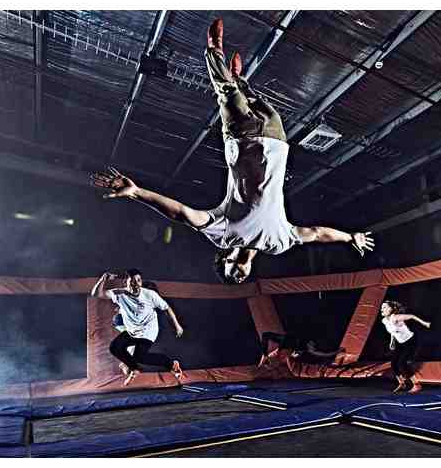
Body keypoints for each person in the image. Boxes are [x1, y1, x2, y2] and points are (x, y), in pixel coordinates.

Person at [90, 19, 374, 284]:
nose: (239, 273)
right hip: (276, 142)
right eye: (241, 277)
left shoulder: (224, 236)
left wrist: (137, 192)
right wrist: (351, 238)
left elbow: (183, 214)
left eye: (231, 272)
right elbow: (316, 233)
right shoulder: (278, 243)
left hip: (242, 141)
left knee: (228, 95)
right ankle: (239, 79)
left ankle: (213, 51)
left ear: (225, 259)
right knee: (257, 102)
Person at [91, 268, 185, 385]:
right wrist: (103, 279)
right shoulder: (119, 293)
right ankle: (134, 368)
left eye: (139, 281)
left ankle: (171, 364)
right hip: (132, 331)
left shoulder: (149, 294)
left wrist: (177, 325)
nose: (136, 284)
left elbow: (166, 308)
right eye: (132, 281)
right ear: (126, 282)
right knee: (114, 348)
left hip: (148, 330)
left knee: (140, 357)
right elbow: (96, 294)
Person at [380, 300, 431, 393]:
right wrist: (392, 342)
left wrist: (424, 323)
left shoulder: (396, 317)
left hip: (410, 341)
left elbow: (412, 316)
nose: (382, 309)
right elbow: (392, 331)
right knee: (394, 363)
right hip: (400, 343)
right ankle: (402, 383)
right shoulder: (384, 321)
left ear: (391, 309)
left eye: (385, 307)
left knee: (402, 363)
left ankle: (417, 384)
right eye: (382, 307)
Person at [257, 331, 344, 367]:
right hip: (292, 343)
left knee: (295, 354)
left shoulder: (307, 349)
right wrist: (265, 354)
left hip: (292, 345)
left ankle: (266, 358)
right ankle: (265, 358)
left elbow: (324, 354)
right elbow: (265, 335)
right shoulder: (305, 347)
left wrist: (337, 351)